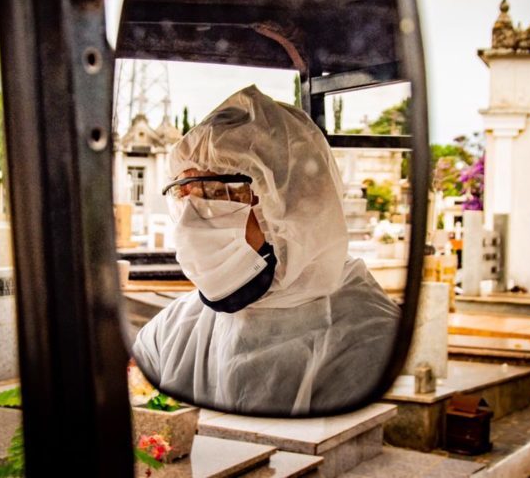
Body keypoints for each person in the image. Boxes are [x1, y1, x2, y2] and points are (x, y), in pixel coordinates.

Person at [133, 85, 400, 414]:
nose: (190, 223)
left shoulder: (374, 342)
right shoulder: (173, 331)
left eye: (217, 194)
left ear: (297, 204)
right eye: (183, 194)